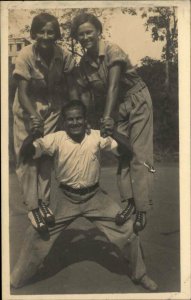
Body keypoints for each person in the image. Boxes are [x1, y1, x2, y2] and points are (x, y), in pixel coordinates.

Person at [11, 100, 158, 292]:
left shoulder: (97, 136)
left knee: (128, 230)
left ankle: (141, 275)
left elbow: (126, 151)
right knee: (35, 234)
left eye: (78, 118)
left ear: (85, 119)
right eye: (70, 119)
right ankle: (16, 280)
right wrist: (34, 134)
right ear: (64, 122)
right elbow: (27, 153)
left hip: (95, 197)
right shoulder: (56, 138)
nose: (75, 123)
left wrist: (112, 131)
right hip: (65, 198)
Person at [70, 13, 155, 232]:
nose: (86, 37)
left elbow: (113, 87)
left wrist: (107, 118)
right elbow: (86, 95)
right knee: (122, 154)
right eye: (81, 34)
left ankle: (142, 209)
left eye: (89, 32)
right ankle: (128, 202)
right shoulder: (83, 64)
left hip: (136, 99)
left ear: (98, 31)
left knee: (139, 155)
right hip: (117, 106)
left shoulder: (112, 50)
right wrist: (88, 120)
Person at [12, 12, 77, 233]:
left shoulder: (64, 55)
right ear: (33, 34)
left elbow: (71, 87)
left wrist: (76, 112)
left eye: (51, 32)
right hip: (27, 109)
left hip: (52, 110)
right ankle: (32, 208)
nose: (46, 36)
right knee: (29, 159)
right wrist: (33, 117)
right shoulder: (25, 56)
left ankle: (45, 204)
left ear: (57, 34)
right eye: (41, 31)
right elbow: (22, 92)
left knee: (46, 157)